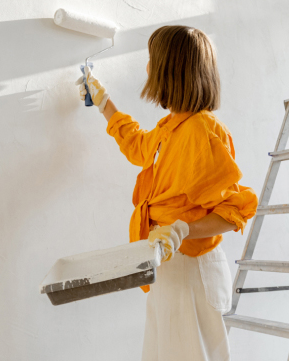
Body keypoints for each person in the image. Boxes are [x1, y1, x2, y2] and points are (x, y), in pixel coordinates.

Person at [76, 25, 258, 361]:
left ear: (169, 70)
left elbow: (234, 210)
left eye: (151, 61)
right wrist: (103, 101)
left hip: (190, 268)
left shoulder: (200, 131)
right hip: (167, 264)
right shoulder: (170, 129)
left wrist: (182, 230)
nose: (147, 68)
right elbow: (137, 145)